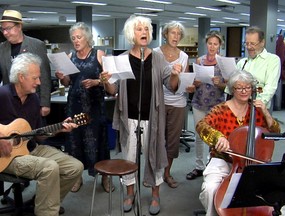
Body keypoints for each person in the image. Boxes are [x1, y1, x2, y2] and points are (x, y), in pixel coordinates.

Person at [100, 15, 181, 215]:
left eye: (146, 29)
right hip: (129, 118)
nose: (143, 32)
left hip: (152, 118)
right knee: (129, 158)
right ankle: (130, 193)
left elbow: (171, 87)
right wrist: (105, 80)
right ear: (131, 34)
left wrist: (175, 75)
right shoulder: (122, 59)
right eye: (139, 29)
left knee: (154, 156)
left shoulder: (158, 57)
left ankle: (155, 195)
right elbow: (112, 91)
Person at [0, 52, 84, 216]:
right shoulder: (2, 95)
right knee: (49, 167)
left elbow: (39, 135)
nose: (39, 82)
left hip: (31, 148)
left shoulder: (34, 99)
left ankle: (45, 203)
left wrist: (59, 128)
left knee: (75, 167)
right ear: (21, 77)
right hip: (7, 156)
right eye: (35, 78)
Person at [196, 69, 280, 216]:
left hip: (253, 163)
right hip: (224, 160)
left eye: (247, 87)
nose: (244, 91)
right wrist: (218, 137)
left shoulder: (257, 111)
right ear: (232, 89)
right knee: (210, 189)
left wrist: (266, 112)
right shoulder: (221, 109)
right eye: (239, 87)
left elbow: (275, 133)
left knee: (274, 197)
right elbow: (201, 125)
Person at [55, 22, 113, 193]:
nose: (76, 41)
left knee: (99, 141)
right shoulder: (70, 55)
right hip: (74, 104)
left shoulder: (99, 54)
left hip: (94, 106)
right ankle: (77, 177)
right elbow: (67, 83)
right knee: (75, 142)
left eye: (79, 37)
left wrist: (96, 81)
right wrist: (62, 77)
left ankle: (105, 176)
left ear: (87, 37)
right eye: (73, 38)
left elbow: (109, 82)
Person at [154, 21, 195, 188]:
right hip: (158, 102)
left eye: (179, 34)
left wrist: (189, 86)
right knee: (157, 139)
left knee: (172, 141)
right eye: (173, 33)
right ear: (165, 34)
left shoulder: (184, 56)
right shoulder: (155, 53)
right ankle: (156, 174)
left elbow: (183, 81)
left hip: (178, 103)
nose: (176, 37)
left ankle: (167, 173)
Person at [186, 30, 226, 180]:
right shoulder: (199, 60)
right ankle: (199, 166)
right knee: (199, 136)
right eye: (210, 43)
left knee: (214, 137)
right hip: (199, 102)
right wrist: (195, 83)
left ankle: (212, 165)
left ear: (219, 45)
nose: (212, 46)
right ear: (206, 44)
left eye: (215, 44)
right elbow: (194, 83)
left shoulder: (223, 62)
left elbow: (228, 86)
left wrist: (220, 83)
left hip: (216, 105)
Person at [0, 9, 51, 118]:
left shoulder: (36, 45)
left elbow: (45, 75)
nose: (5, 33)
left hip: (32, 101)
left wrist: (45, 103)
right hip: (9, 103)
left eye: (8, 28)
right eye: (2, 29)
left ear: (19, 27)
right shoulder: (1, 48)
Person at [236, 26, 280, 110]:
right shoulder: (242, 63)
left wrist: (256, 103)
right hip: (239, 108)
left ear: (262, 42)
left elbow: (270, 87)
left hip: (258, 109)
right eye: (247, 43)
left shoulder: (272, 60)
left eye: (252, 43)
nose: (249, 47)